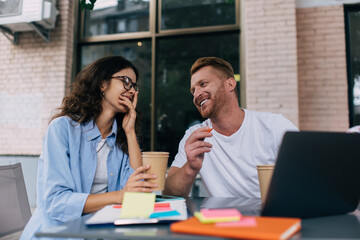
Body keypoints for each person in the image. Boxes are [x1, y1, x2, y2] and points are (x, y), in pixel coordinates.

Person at [21, 56, 157, 239]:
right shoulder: (63, 129)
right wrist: (119, 196)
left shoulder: (122, 137)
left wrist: (131, 132)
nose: (131, 90)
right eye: (125, 81)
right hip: (57, 234)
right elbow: (56, 202)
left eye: (134, 86)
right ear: (103, 84)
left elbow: (138, 195)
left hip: (99, 232)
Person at [164, 57, 298, 198]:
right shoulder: (195, 136)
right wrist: (190, 168)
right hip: (223, 219)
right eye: (193, 91)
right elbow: (169, 194)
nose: (196, 94)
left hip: (271, 217)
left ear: (230, 84)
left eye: (203, 84)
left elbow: (308, 173)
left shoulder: (274, 126)